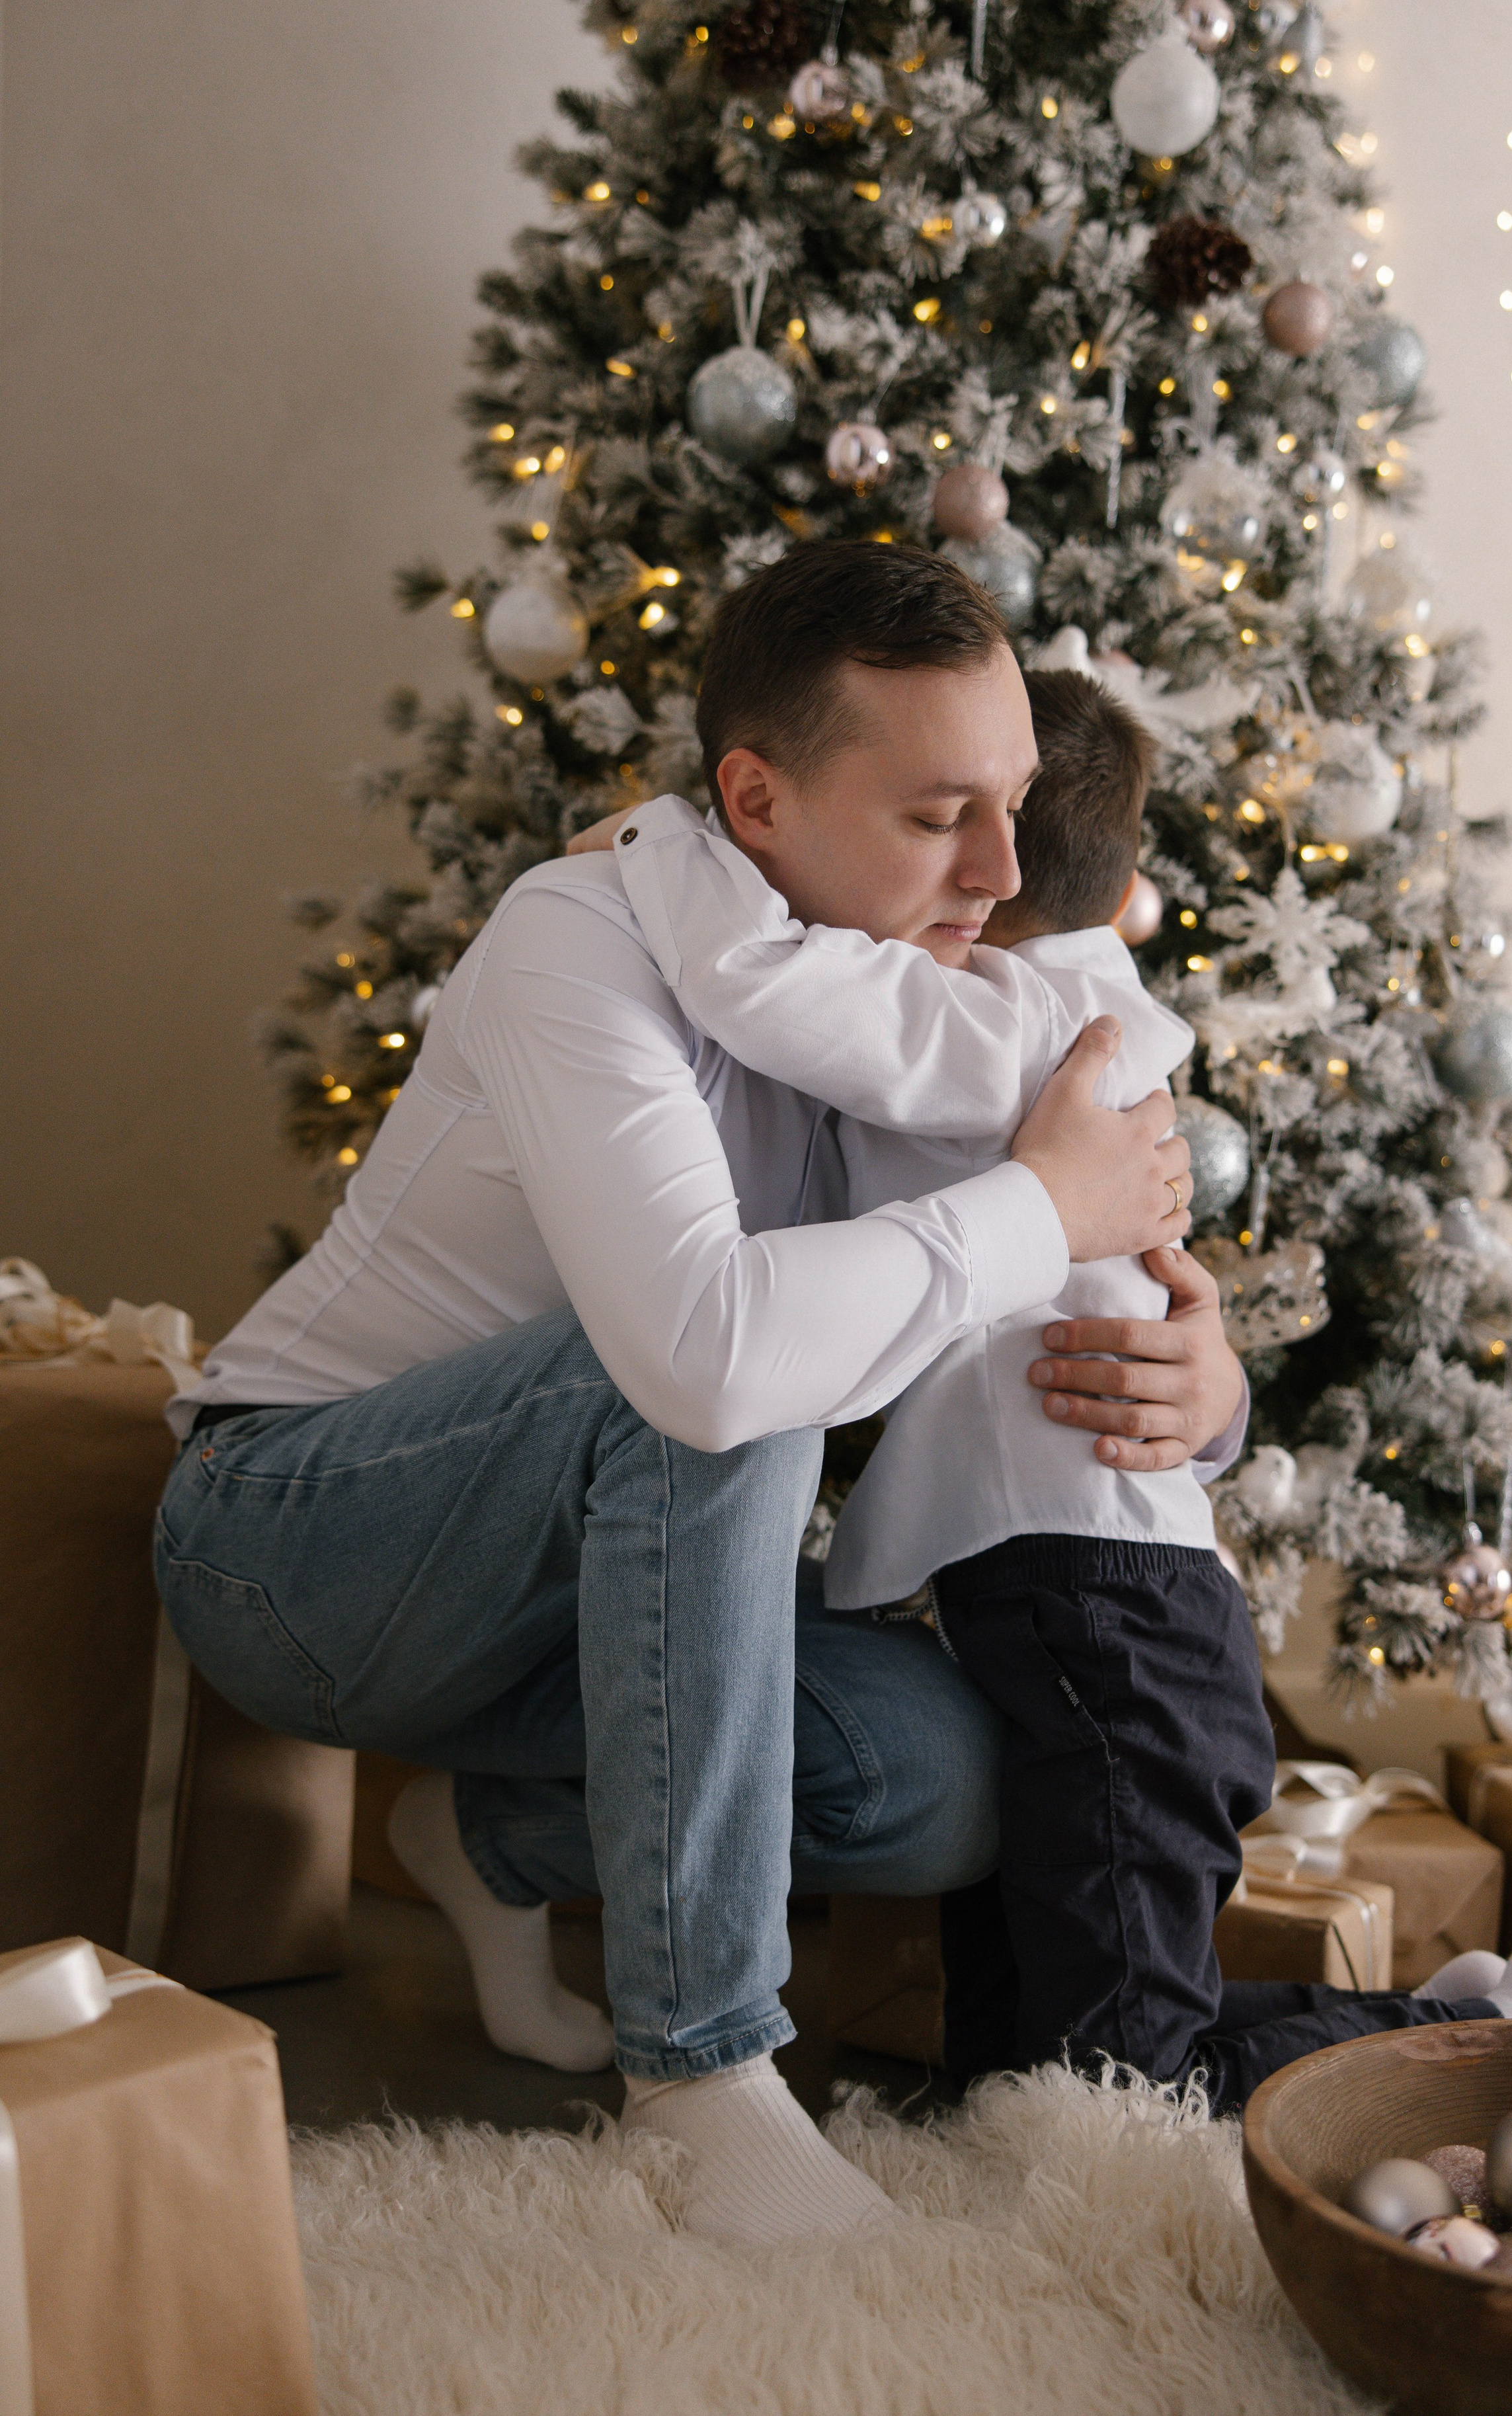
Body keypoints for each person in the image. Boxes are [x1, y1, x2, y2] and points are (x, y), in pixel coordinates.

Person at [151, 542, 1247, 2247]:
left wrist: (1205, 1377)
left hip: (599, 1583)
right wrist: (1040, 1204)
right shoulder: (576, 935)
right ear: (752, 797)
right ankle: (702, 2079)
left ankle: (490, 1834)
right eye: (938, 811)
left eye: (1019, 802)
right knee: (711, 1362)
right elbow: (708, 1355)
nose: (1007, 868)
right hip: (296, 1547)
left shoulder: (924, 1000)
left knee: (953, 1771)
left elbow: (1059, 1270)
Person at [598, 663, 1512, 2111]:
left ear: (991, 871)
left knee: (1118, 2080)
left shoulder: (1010, 1024)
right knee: (1014, 2072)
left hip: (1111, 1616)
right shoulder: (1059, 1006)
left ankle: (1493, 2021)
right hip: (1055, 1600)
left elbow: (763, 986)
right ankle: (1431, 2015)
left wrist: (660, 843)